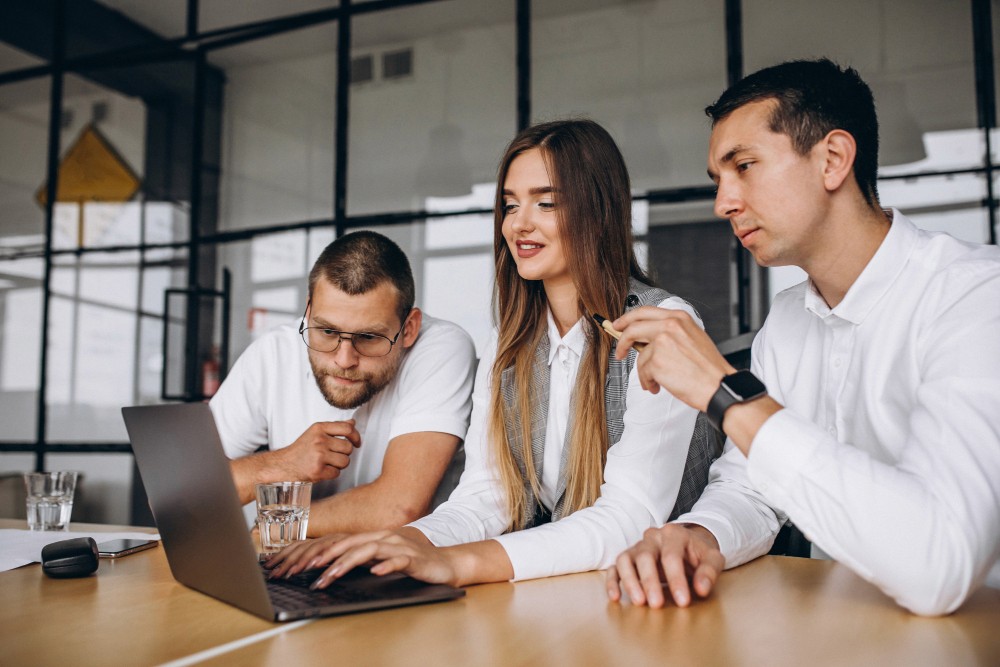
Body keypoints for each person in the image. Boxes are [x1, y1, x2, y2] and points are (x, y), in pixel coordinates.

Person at [606, 59, 1000, 616]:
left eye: (744, 166)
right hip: (843, 629)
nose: (723, 203)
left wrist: (724, 392)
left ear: (833, 159)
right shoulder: (787, 321)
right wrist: (698, 536)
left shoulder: (977, 298)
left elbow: (941, 566)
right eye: (719, 180)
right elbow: (752, 488)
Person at [264, 119, 720, 588]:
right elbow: (487, 495)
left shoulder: (664, 323)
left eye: (545, 203)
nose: (519, 223)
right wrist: (403, 543)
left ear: (598, 212)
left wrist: (456, 562)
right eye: (509, 205)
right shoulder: (509, 341)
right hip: (567, 594)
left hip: (663, 596)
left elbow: (630, 518)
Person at [209, 231, 476, 536]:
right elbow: (183, 495)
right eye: (327, 332)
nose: (344, 359)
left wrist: (274, 525)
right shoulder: (273, 351)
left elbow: (398, 508)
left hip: (398, 573)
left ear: (409, 328)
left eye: (368, 337)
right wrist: (282, 465)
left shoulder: (442, 346)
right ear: (308, 313)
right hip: (288, 564)